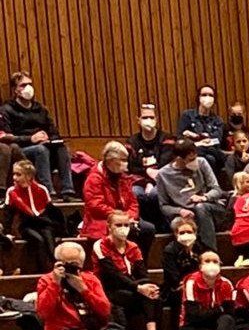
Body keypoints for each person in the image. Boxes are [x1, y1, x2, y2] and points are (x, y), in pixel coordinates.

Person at [91, 209, 161, 330]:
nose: (123, 228)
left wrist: (147, 286)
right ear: (109, 226)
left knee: (153, 292)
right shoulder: (100, 245)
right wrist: (138, 288)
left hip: (130, 285)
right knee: (140, 293)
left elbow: (142, 272)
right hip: (108, 287)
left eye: (126, 225)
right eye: (118, 225)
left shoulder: (133, 246)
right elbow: (112, 274)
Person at [2, 71, 76, 199]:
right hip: (23, 148)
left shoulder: (41, 109)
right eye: (23, 85)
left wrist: (49, 139)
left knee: (62, 148)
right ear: (15, 90)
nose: (28, 88)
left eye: (30, 84)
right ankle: (48, 191)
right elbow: (8, 137)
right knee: (41, 150)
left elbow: (54, 132)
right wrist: (31, 139)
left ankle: (68, 190)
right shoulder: (7, 109)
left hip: (44, 144)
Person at [81, 142, 156, 257]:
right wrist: (118, 216)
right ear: (111, 160)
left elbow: (133, 202)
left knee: (147, 229)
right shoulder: (94, 178)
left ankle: (139, 262)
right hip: (103, 219)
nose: (126, 163)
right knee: (123, 230)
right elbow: (95, 205)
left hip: (125, 216)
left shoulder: (123, 177)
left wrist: (130, 216)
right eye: (123, 160)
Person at [157, 139, 228, 252]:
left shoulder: (202, 163)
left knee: (200, 208)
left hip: (208, 208)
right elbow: (164, 206)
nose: (195, 161)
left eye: (195, 157)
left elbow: (217, 190)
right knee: (178, 224)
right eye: (191, 160)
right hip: (184, 213)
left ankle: (209, 252)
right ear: (179, 158)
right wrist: (180, 211)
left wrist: (204, 197)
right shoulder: (163, 174)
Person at [5, 158, 65, 273]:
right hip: (26, 226)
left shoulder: (41, 189)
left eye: (18, 175)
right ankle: (45, 272)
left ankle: (57, 268)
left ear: (29, 176)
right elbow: (8, 214)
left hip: (44, 224)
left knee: (49, 241)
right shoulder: (12, 192)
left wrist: (59, 231)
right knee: (39, 240)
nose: (14, 178)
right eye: (14, 174)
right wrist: (7, 232)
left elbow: (52, 212)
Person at [125, 104, 173, 230]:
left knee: (155, 194)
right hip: (139, 181)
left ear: (156, 119)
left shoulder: (166, 139)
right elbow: (132, 167)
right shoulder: (132, 141)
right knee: (135, 192)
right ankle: (144, 225)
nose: (148, 120)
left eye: (151, 117)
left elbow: (165, 164)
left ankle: (162, 226)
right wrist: (147, 179)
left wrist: (151, 183)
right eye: (145, 117)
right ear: (138, 120)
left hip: (162, 180)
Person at [160, 216, 202, 330]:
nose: (186, 235)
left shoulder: (199, 248)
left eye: (189, 232)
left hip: (197, 284)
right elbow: (173, 277)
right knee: (181, 296)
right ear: (176, 234)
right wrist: (188, 285)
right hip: (174, 288)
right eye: (182, 232)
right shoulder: (170, 250)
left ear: (195, 233)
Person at [176, 84, 226, 157]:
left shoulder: (218, 120)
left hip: (212, 153)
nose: (207, 98)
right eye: (204, 95)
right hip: (193, 153)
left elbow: (217, 140)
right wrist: (199, 142)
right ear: (198, 97)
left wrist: (196, 136)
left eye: (211, 95)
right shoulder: (187, 115)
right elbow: (180, 137)